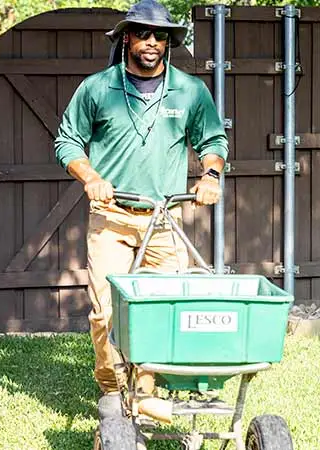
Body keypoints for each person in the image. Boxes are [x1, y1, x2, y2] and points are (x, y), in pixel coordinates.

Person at [52, 0, 229, 425]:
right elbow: (67, 142)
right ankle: (115, 392)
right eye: (144, 34)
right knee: (106, 311)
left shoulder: (189, 91)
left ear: (169, 42)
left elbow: (213, 141)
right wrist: (90, 177)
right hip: (112, 218)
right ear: (126, 37)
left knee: (163, 309)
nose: (152, 42)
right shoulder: (97, 88)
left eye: (160, 36)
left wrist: (209, 176)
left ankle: (144, 390)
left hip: (164, 219)